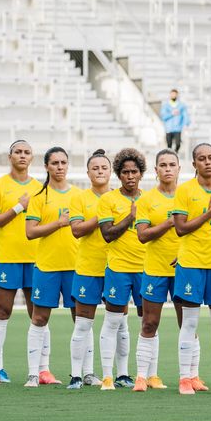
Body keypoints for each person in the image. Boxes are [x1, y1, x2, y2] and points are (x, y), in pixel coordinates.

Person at [0, 140, 42, 386]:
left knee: (38, 315)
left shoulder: (40, 188)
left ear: (32, 157)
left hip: (36, 259)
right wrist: (19, 207)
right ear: (10, 157)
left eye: (27, 152)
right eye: (18, 152)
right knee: (1, 311)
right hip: (6, 258)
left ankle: (42, 370)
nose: (22, 155)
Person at [173, 143, 211, 395]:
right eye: (201, 159)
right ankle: (185, 378)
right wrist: (208, 215)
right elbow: (180, 228)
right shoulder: (185, 190)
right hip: (191, 263)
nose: (207, 162)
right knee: (190, 323)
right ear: (194, 164)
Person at [23, 146, 78, 387]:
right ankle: (34, 373)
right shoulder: (38, 198)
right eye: (54, 163)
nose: (59, 167)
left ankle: (84, 373)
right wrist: (58, 224)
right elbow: (30, 232)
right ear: (46, 166)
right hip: (47, 267)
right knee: (39, 318)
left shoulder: (78, 196)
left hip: (77, 266)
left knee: (82, 320)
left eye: (63, 162)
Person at [133, 149, 184, 392]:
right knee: (149, 322)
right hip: (154, 268)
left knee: (187, 324)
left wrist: (185, 253)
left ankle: (190, 376)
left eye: (171, 164)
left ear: (179, 169)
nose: (167, 169)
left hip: (185, 268)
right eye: (162, 165)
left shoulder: (187, 196)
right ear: (156, 170)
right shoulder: (146, 200)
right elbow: (142, 235)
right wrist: (168, 223)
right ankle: (142, 376)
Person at [97, 148, 147, 390]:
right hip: (118, 268)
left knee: (148, 321)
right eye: (125, 172)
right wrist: (130, 217)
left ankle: (139, 375)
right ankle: (108, 376)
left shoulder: (149, 199)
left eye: (134, 171)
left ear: (141, 173)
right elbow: (107, 234)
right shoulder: (108, 200)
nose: (130, 176)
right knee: (113, 320)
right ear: (118, 174)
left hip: (146, 268)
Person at [66, 149, 112, 389]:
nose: (100, 171)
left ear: (110, 171)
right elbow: (77, 229)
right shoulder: (80, 198)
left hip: (115, 267)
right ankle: (76, 375)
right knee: (83, 323)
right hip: (87, 267)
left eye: (104, 167)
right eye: (95, 168)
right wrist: (102, 216)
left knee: (118, 323)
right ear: (88, 172)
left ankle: (111, 374)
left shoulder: (119, 197)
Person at [160, 89, 190, 153]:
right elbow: (163, 117)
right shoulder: (166, 105)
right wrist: (171, 114)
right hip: (169, 128)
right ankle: (170, 155)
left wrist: (186, 124)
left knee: (178, 144)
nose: (173, 96)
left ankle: (175, 153)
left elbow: (185, 116)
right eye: (172, 94)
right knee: (169, 145)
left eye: (175, 94)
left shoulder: (181, 106)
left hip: (177, 128)